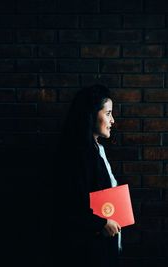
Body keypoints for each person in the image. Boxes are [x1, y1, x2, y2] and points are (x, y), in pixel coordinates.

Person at [46, 84, 121, 267]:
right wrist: (101, 224)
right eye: (108, 113)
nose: (113, 121)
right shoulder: (77, 154)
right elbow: (67, 206)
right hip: (85, 253)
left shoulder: (96, 149)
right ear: (91, 114)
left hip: (101, 247)